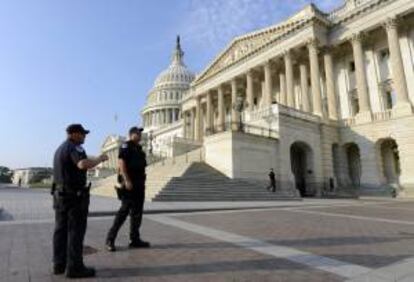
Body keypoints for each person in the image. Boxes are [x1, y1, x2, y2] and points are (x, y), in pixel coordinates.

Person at [52, 124, 108, 278]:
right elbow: (82, 164)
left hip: (60, 195)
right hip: (73, 197)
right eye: (83, 134)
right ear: (75, 134)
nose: (85, 137)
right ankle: (75, 268)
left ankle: (59, 264)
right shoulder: (75, 147)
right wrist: (99, 159)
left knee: (60, 231)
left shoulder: (60, 148)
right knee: (75, 232)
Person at [105, 126, 150, 252]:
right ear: (131, 135)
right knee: (123, 213)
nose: (140, 135)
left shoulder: (139, 149)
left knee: (137, 214)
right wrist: (126, 180)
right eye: (137, 133)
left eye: (140, 133)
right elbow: (122, 164)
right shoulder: (126, 146)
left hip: (139, 185)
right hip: (129, 184)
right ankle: (110, 239)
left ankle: (134, 239)